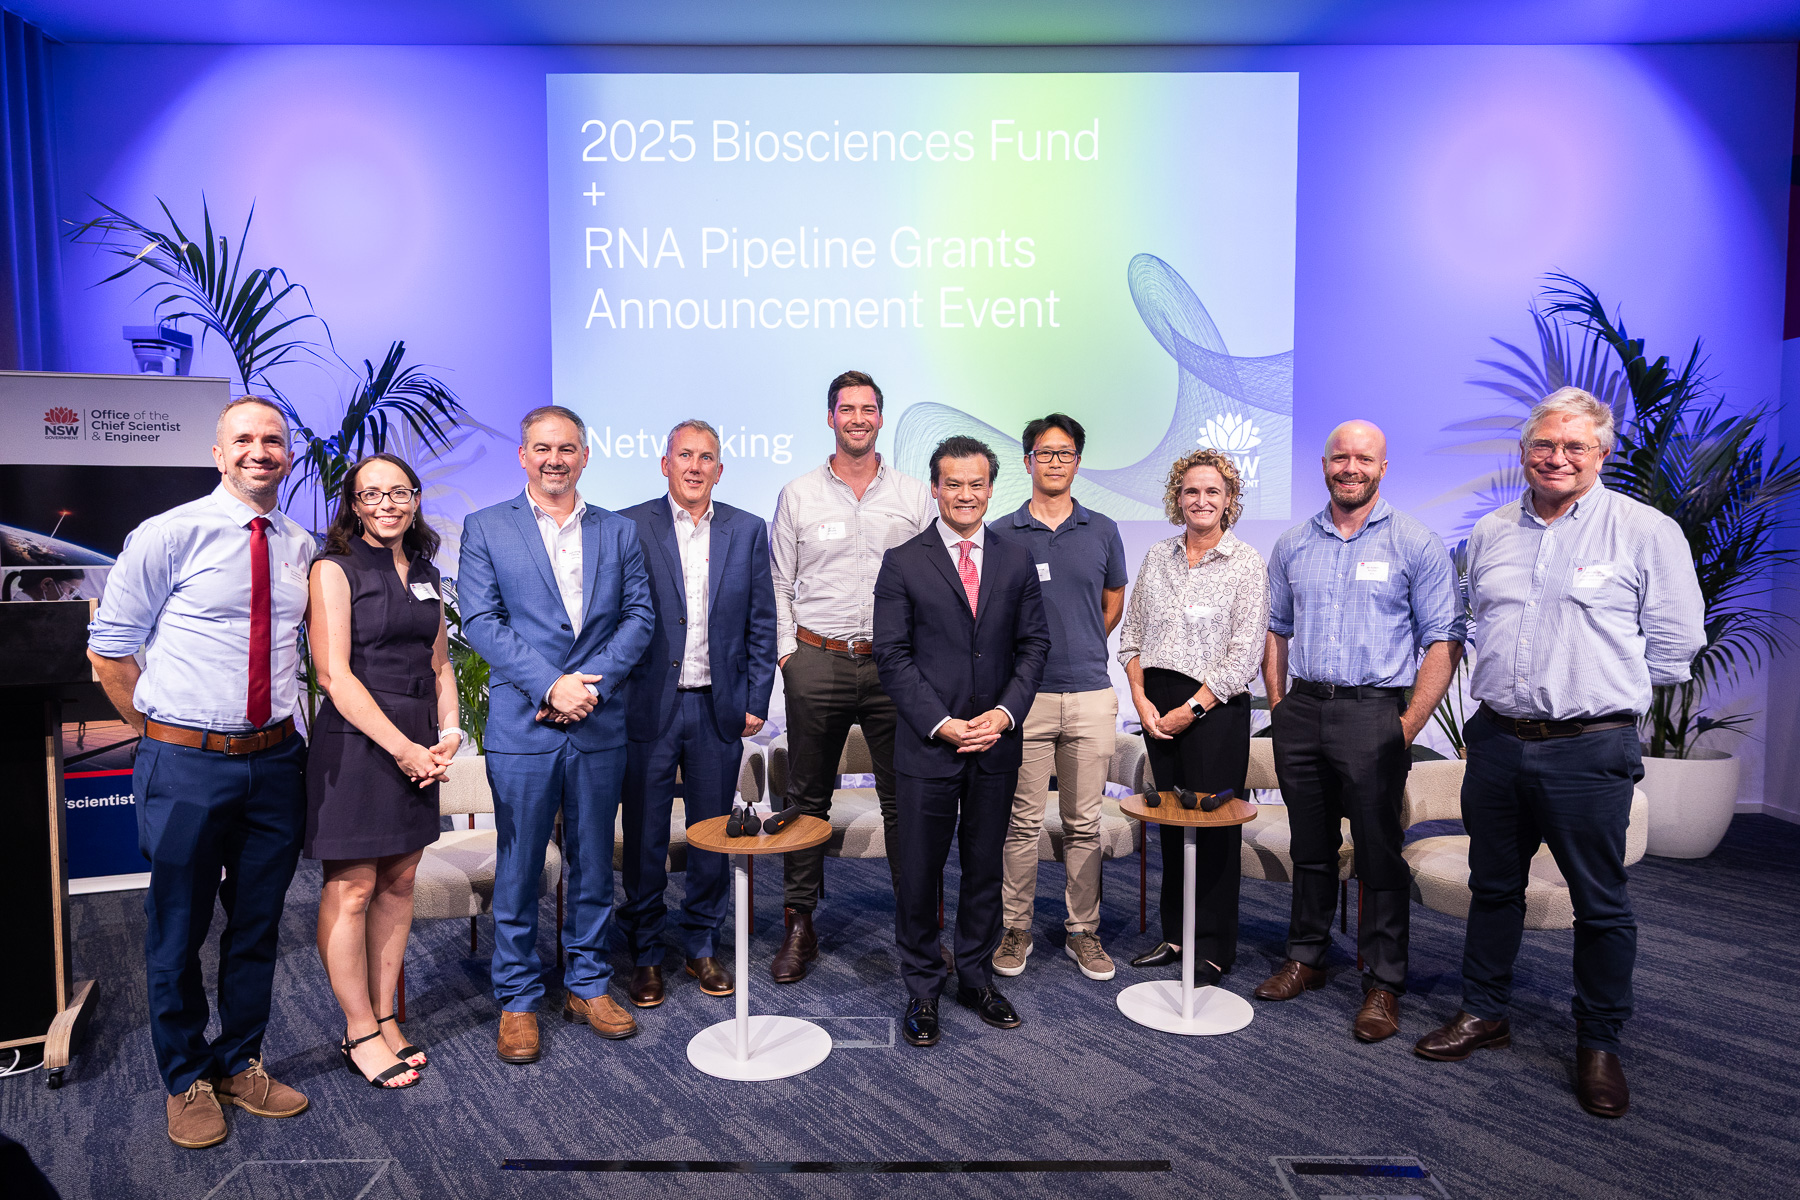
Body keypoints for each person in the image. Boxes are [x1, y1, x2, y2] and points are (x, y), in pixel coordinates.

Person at [1414, 388, 1703, 1118]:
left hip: (1588, 748)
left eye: (1576, 447)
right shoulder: (1490, 534)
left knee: (1600, 904)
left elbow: (1675, 648)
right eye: (1546, 445)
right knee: (1495, 886)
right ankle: (1485, 1012)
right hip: (1499, 742)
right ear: (1524, 452)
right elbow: (1474, 624)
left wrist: (1598, 690)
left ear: (1601, 455)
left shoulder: (1645, 531)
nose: (1558, 458)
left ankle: (1598, 1043)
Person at [87, 396, 314, 1149]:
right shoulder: (167, 534)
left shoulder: (299, 546)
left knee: (257, 927)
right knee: (177, 929)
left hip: (277, 763)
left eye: (273, 440)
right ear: (219, 455)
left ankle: (238, 1060)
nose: (260, 450)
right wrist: (158, 738)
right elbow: (109, 655)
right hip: (184, 762)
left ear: (290, 454)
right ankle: (184, 1076)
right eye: (243, 439)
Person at [1257, 419, 1465, 1043]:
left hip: (1376, 714)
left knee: (1378, 854)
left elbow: (1443, 638)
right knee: (1310, 845)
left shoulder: (1415, 543)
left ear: (1382, 467)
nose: (1350, 467)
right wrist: (1279, 706)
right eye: (1339, 457)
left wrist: (1405, 727)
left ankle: (1383, 982)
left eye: (1363, 458)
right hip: (1304, 711)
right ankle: (1307, 957)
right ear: (1323, 465)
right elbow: (1276, 628)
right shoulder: (1295, 543)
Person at [458, 405, 654, 1063]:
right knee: (518, 870)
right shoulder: (487, 527)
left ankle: (588, 984)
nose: (554, 459)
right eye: (542, 447)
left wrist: (588, 687)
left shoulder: (620, 532)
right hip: (524, 726)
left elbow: (639, 619)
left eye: (567, 448)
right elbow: (482, 621)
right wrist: (552, 685)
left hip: (597, 723)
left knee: (594, 863)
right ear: (522, 455)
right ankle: (517, 999)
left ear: (585, 455)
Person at [873, 435, 1050, 1047]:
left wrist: (1003, 714)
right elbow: (892, 658)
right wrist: (943, 723)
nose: (965, 494)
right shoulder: (903, 561)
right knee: (920, 873)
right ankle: (923, 989)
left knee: (983, 870)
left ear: (990, 487)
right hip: (929, 746)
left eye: (976, 484)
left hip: (996, 744)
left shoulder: (1016, 559)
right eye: (954, 484)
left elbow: (1034, 647)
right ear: (935, 488)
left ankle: (974, 977)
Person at [767, 370, 933, 983]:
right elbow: (779, 582)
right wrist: (790, 654)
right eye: (846, 409)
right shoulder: (799, 494)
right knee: (807, 798)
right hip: (818, 660)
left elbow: (932, 584)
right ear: (830, 417)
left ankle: (915, 927)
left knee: (906, 799)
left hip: (894, 665)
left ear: (881, 419)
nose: (857, 418)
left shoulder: (915, 497)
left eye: (868, 409)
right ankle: (800, 926)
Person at [305, 453, 460, 1090]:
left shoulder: (426, 572)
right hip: (359, 745)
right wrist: (404, 748)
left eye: (399, 492)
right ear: (355, 505)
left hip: (419, 746)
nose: (387, 504)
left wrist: (450, 734)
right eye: (372, 495)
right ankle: (359, 1029)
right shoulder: (333, 569)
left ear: (415, 498)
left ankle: (388, 1016)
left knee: (399, 886)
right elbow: (334, 676)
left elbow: (440, 665)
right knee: (352, 890)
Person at [617, 420, 777, 1007]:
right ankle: (646, 953)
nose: (694, 465)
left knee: (713, 835)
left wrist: (757, 699)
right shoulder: (629, 525)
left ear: (719, 469)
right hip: (646, 707)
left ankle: (701, 944)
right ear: (664, 464)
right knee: (644, 836)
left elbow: (762, 621)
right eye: (684, 455)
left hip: (719, 708)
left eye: (706, 457)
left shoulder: (747, 528)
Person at [1117, 450, 1268, 983]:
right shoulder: (1157, 556)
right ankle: (1174, 934)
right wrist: (1140, 698)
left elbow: (1245, 654)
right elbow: (1131, 636)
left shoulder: (1246, 563)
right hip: (1155, 704)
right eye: (1190, 491)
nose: (1200, 501)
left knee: (1214, 829)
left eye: (1212, 492)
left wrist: (1191, 709)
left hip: (1214, 711)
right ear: (1176, 499)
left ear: (1229, 501)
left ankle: (1212, 947)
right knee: (1169, 825)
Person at [993, 414, 1128, 982]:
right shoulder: (1000, 533)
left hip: (1092, 694)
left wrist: (1081, 644)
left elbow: (1112, 601)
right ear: (1027, 462)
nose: (1054, 461)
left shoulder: (1102, 529)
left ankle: (1083, 931)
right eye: (1043, 453)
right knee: (1022, 822)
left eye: (1065, 452)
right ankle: (1016, 927)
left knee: (1084, 823)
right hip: (1026, 700)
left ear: (1077, 462)